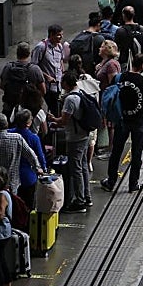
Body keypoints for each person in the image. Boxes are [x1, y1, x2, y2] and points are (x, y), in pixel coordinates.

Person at [99, 53, 143, 194]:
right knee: (137, 153)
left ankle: (111, 181)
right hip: (138, 122)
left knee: (116, 152)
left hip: (122, 120)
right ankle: (133, 184)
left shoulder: (120, 77)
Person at [52, 72, 94, 212]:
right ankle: (86, 197)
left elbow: (64, 121)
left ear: (66, 83)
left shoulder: (70, 99)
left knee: (75, 169)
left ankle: (79, 201)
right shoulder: (81, 92)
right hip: (84, 135)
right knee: (82, 167)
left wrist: (52, 119)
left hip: (75, 138)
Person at [8, 108, 48, 210]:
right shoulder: (33, 138)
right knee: (27, 205)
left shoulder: (8, 134)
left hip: (10, 176)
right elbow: (40, 156)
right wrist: (44, 169)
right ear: (28, 123)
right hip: (28, 177)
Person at [0, 43, 46, 119]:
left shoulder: (8, 67)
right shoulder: (34, 69)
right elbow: (43, 90)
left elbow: (2, 86)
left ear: (17, 53)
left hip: (9, 105)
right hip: (29, 109)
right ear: (29, 53)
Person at [31, 25, 69, 115]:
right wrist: (46, 76)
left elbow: (60, 61)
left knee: (57, 109)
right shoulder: (41, 47)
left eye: (62, 35)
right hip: (46, 86)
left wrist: (62, 73)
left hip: (58, 85)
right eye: (58, 35)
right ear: (51, 35)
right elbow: (33, 67)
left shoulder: (59, 46)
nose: (61, 37)